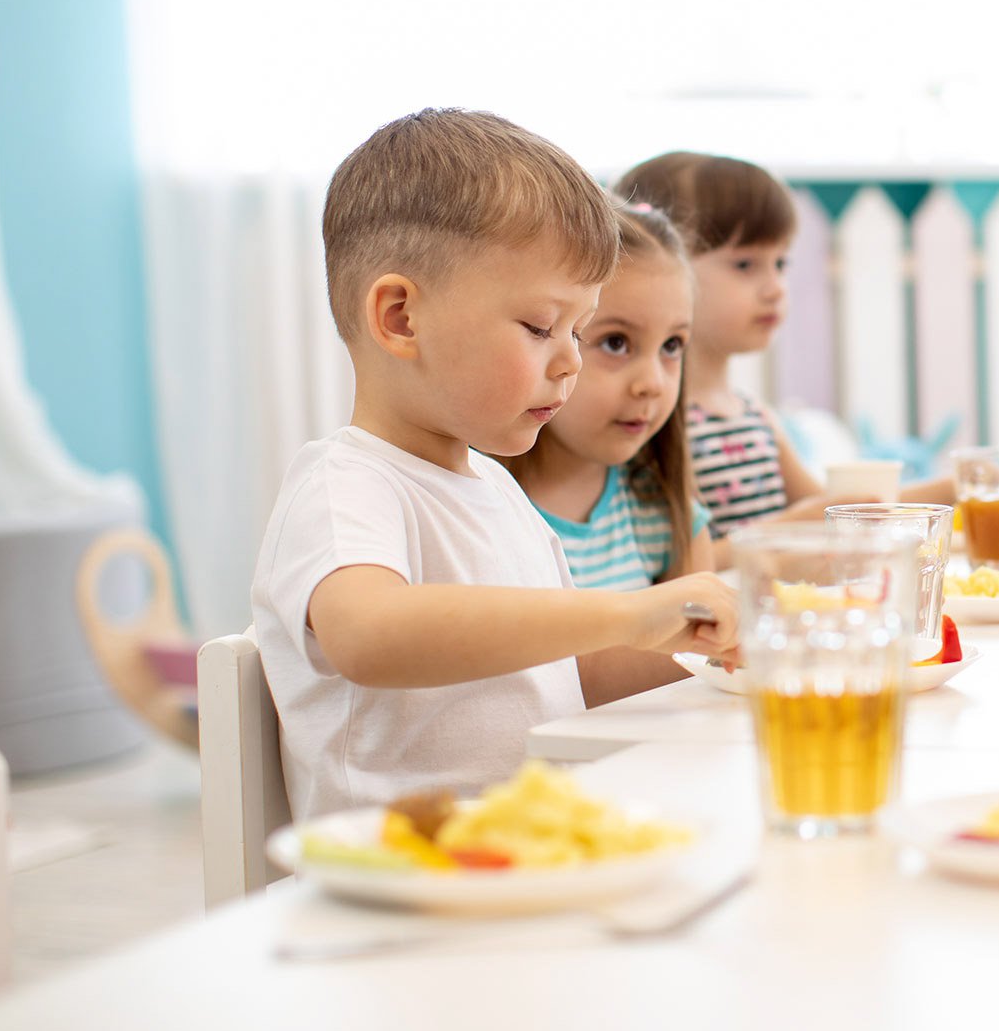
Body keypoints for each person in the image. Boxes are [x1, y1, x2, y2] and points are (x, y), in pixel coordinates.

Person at [251, 110, 737, 819]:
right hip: (406, 886)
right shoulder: (345, 486)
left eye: (577, 329)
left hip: (524, 854)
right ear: (400, 318)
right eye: (542, 327)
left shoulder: (497, 490)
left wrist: (695, 638)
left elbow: (565, 678)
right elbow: (372, 635)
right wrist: (626, 611)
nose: (569, 358)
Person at [620, 151, 951, 558]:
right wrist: (788, 529)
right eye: (745, 264)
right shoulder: (654, 422)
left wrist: (953, 490)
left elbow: (838, 508)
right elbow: (676, 563)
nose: (775, 287)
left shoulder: (753, 416)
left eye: (779, 263)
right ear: (664, 266)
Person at [503, 203, 709, 700]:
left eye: (672, 346)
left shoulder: (661, 511)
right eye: (616, 342)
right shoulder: (481, 507)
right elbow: (557, 683)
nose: (653, 384)